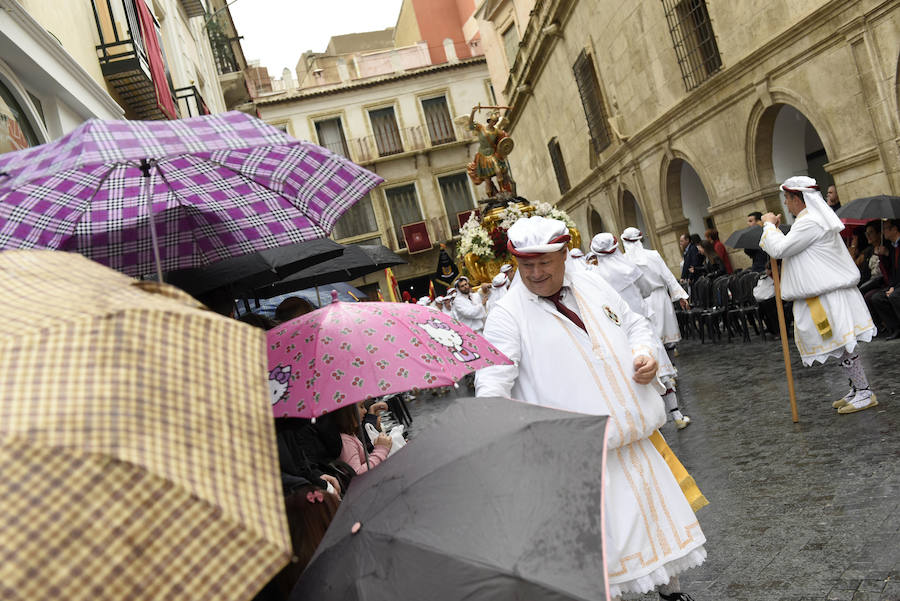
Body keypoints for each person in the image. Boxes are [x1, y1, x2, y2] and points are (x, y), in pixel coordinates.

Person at [476, 216, 706, 601]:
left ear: (564, 255)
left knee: (660, 531)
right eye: (525, 265)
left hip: (634, 440)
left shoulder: (592, 283)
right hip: (577, 458)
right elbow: (492, 383)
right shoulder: (506, 315)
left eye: (543, 263)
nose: (534, 273)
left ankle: (673, 595)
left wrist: (644, 353)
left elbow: (634, 324)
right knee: (605, 553)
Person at [760, 176, 878, 414]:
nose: (786, 203)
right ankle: (857, 388)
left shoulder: (810, 222)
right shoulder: (809, 221)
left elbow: (779, 248)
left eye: (787, 198)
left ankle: (865, 391)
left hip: (828, 295)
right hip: (822, 295)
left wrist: (768, 225)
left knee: (844, 344)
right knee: (837, 343)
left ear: (798, 199)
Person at [589, 233, 691, 429]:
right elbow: (646, 290)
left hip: (617, 331)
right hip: (641, 326)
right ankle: (677, 415)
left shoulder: (595, 276)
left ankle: (649, 424)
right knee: (659, 369)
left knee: (633, 376)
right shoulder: (630, 268)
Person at [621, 227, 690, 346]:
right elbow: (668, 277)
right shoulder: (653, 255)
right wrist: (680, 296)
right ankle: (670, 363)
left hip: (639, 302)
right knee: (665, 339)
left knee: (650, 340)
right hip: (660, 299)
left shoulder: (623, 260)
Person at [466, 105, 516, 198]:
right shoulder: (481, 128)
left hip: (493, 154)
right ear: (489, 121)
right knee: (487, 179)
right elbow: (470, 125)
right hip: (483, 156)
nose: (494, 123)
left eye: (495, 121)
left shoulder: (497, 131)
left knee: (498, 171)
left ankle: (502, 190)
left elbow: (505, 138)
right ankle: (491, 197)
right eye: (493, 121)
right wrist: (473, 112)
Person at [333, 403, 392, 474]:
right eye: (361, 407)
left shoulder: (350, 435)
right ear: (347, 412)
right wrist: (381, 450)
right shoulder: (346, 441)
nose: (365, 411)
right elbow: (357, 474)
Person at [869, 218, 900, 339]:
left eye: (886, 228)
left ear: (895, 229)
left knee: (895, 295)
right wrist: (884, 255)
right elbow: (892, 271)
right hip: (895, 284)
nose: (883, 232)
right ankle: (895, 327)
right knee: (877, 298)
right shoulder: (892, 247)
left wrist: (894, 287)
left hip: (898, 286)